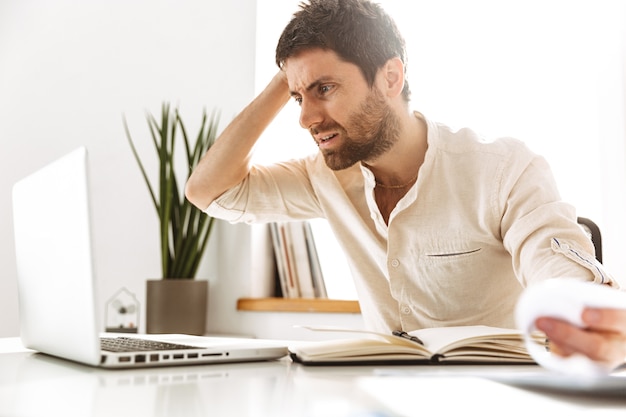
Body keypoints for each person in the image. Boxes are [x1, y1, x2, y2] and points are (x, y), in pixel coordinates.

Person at [186, 0, 626, 369]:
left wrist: (583, 308)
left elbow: (555, 262)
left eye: (325, 87)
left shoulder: (503, 169)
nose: (305, 119)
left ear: (391, 78)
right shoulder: (323, 178)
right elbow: (207, 192)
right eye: (299, 98)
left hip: (497, 398)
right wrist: (290, 78)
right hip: (383, 398)